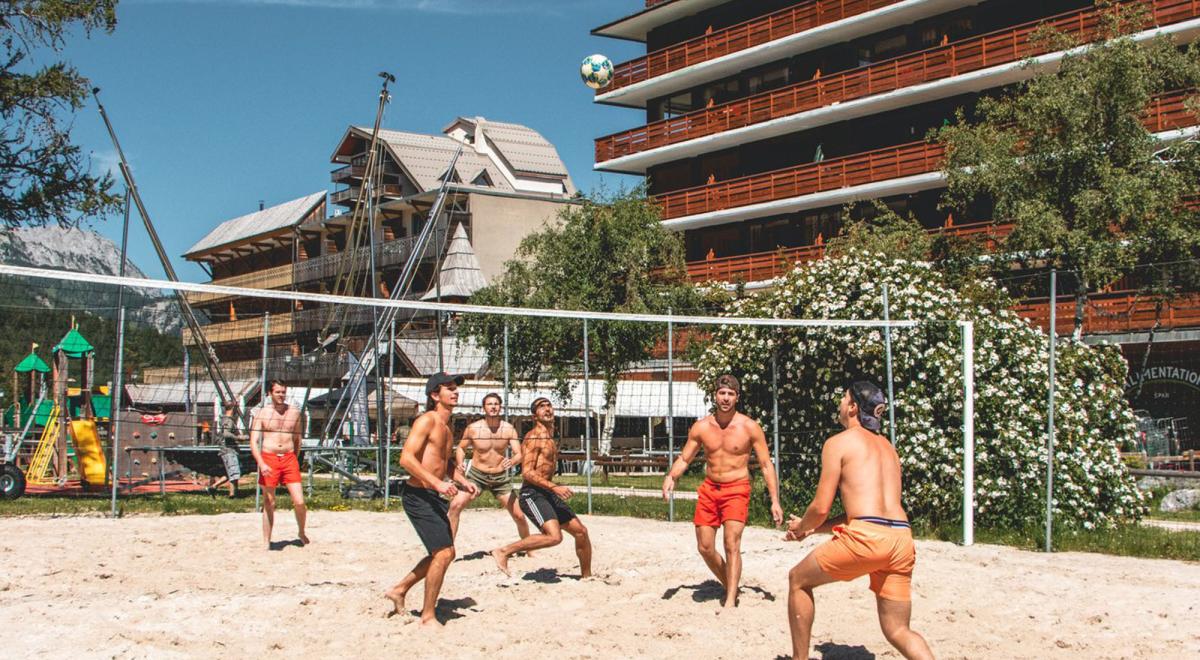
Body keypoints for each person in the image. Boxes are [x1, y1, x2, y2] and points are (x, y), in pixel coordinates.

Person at [783, 381, 933, 660]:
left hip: (865, 539)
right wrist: (812, 530)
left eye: (843, 398)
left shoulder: (838, 443)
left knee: (798, 581)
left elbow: (820, 507)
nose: (840, 403)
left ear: (852, 408)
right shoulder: (888, 448)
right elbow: (864, 514)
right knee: (899, 630)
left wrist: (801, 526)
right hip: (901, 539)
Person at [662, 374, 783, 609]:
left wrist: (775, 501)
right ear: (715, 395)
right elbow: (685, 458)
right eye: (722, 393)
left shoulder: (749, 427)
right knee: (705, 547)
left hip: (737, 489)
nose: (726, 398)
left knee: (731, 543)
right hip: (710, 489)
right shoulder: (702, 427)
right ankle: (730, 583)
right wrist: (671, 476)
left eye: (730, 394)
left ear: (737, 397)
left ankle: (730, 599)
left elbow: (767, 465)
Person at [384, 372, 478, 626]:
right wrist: (437, 483)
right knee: (445, 553)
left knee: (441, 553)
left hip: (434, 496)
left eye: (455, 388)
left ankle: (399, 590)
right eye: (449, 388)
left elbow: (443, 463)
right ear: (435, 395)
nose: (455, 391)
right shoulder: (427, 420)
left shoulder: (447, 427)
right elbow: (406, 458)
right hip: (417, 496)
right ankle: (427, 616)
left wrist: (462, 480)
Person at [490, 397, 592, 578]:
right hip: (532, 494)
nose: (547, 409)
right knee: (554, 536)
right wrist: (554, 487)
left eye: (549, 405)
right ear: (534, 415)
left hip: (547, 492)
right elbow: (527, 473)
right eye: (541, 407)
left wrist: (552, 488)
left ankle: (587, 576)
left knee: (581, 532)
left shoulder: (550, 436)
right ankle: (504, 551)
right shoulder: (533, 437)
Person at [446, 392, 531, 543]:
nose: (493, 407)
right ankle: (448, 548)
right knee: (455, 505)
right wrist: (460, 463)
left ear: (500, 407)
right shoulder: (473, 428)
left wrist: (512, 461)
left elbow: (519, 454)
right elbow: (460, 448)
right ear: (484, 408)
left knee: (519, 515)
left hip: (500, 478)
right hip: (477, 476)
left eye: (496, 404)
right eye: (490, 404)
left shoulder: (508, 429)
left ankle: (529, 548)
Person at [250, 380, 308, 547]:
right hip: (269, 457)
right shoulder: (262, 413)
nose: (281, 395)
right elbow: (253, 442)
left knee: (299, 501)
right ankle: (266, 541)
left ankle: (301, 531)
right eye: (278, 392)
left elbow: (298, 439)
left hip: (289, 458)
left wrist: (295, 459)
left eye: (283, 392)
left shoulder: (294, 412)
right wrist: (261, 463)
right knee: (269, 501)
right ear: (270, 393)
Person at [208, 401, 241, 498]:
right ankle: (216, 487)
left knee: (231, 473)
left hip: (228, 450)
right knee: (234, 473)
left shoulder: (225, 419)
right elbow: (226, 434)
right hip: (229, 450)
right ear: (233, 408)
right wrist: (239, 437)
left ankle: (232, 493)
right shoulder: (228, 421)